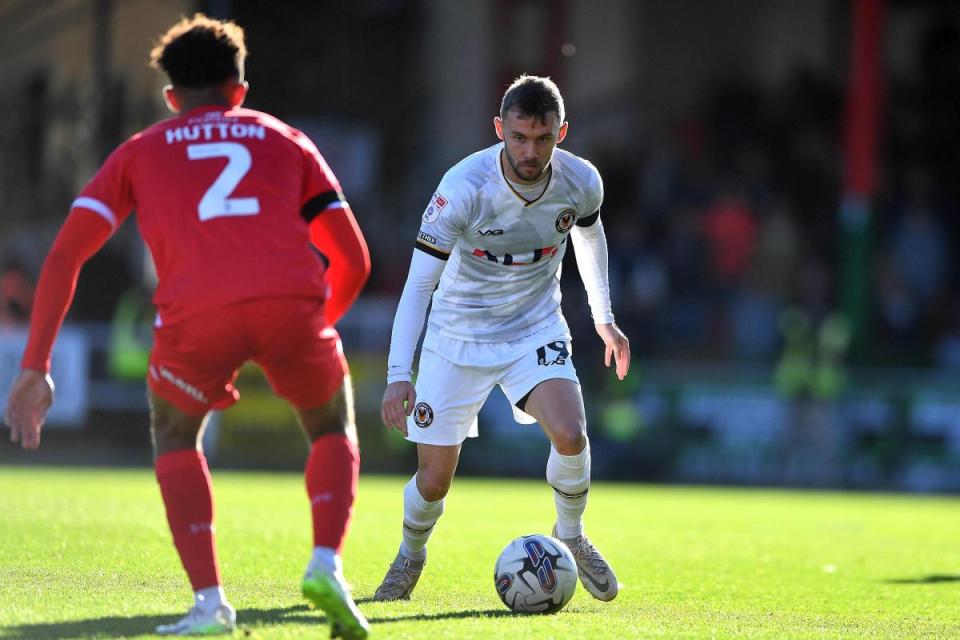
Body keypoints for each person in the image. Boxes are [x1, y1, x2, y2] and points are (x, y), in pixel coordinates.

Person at [3, 14, 371, 639]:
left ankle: (208, 603)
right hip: (290, 303)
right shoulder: (284, 138)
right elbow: (353, 260)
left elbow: (66, 254)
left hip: (195, 318)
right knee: (331, 426)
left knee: (175, 436)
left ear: (171, 98)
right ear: (240, 90)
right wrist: (308, 328)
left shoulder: (138, 152)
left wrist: (35, 367)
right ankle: (325, 564)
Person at [376, 74, 630, 603]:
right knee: (433, 482)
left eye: (542, 138)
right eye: (518, 137)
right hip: (457, 336)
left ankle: (571, 535)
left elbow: (589, 235)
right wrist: (399, 375)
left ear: (562, 132)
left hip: (533, 327)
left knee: (571, 433)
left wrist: (603, 316)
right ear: (499, 130)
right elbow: (418, 285)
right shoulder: (463, 189)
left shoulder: (581, 181)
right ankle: (410, 556)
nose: (530, 151)